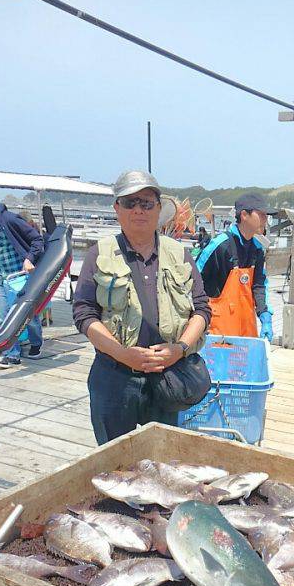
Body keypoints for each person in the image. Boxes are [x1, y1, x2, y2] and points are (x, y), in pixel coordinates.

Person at [73, 169, 211, 446]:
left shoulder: (180, 253)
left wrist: (179, 349)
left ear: (159, 209)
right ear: (117, 208)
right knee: (114, 459)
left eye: (147, 202)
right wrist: (123, 354)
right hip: (114, 377)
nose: (139, 210)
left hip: (167, 377)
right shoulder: (98, 253)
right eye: (129, 202)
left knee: (161, 457)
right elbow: (84, 314)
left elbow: (202, 309)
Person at [196, 193, 276, 341]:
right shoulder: (219, 246)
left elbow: (259, 285)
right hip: (217, 333)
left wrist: (265, 315)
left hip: (246, 332)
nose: (266, 220)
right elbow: (194, 279)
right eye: (262, 215)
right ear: (244, 215)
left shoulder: (257, 249)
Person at [0, 193, 44, 368]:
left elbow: (37, 239)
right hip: (0, 276)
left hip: (19, 275)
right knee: (2, 316)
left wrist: (29, 259)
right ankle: (11, 354)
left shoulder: (9, 219)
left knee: (28, 315)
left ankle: (36, 342)